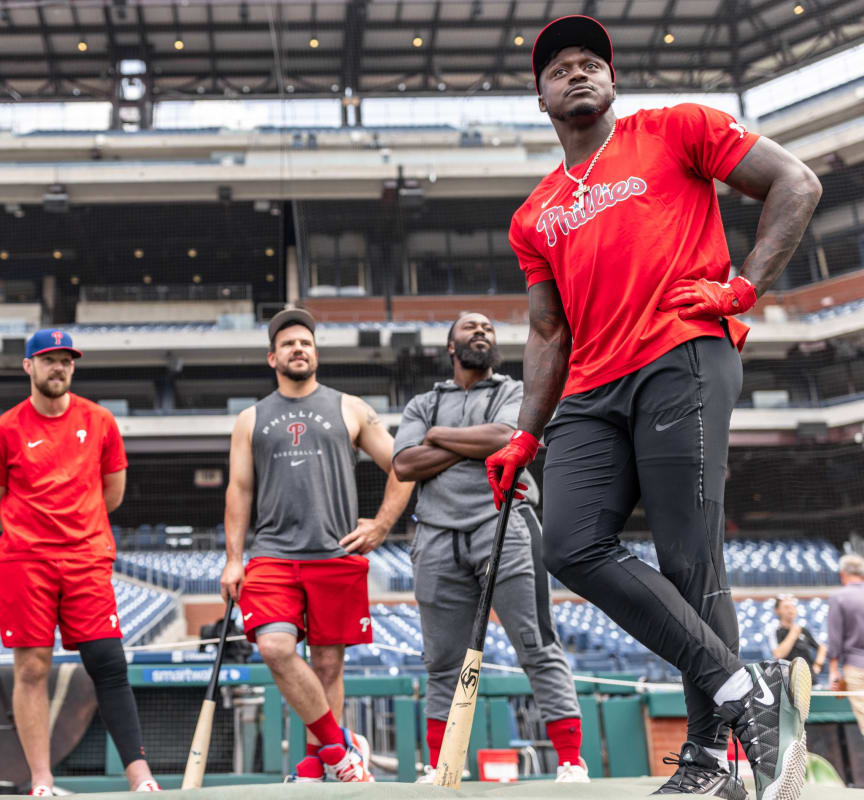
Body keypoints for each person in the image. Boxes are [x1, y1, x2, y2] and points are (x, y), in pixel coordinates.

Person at [484, 15, 822, 800]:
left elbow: (796, 182)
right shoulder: (533, 214)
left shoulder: (677, 128)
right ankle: (750, 695)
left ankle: (713, 763)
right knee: (568, 545)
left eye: (590, 62)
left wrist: (745, 288)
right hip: (591, 390)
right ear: (540, 97)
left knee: (688, 559)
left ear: (613, 81)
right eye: (559, 66)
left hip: (682, 357)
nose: (576, 71)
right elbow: (545, 329)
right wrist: (524, 436)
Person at [392, 312, 589, 783]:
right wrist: (471, 444)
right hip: (437, 536)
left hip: (505, 524)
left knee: (536, 644)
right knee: (441, 660)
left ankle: (569, 760)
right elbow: (403, 464)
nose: (480, 332)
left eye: (488, 328)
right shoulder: (423, 403)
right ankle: (442, 764)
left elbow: (508, 437)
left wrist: (438, 438)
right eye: (469, 328)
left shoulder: (513, 392)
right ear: (450, 346)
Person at [219, 308, 413, 783]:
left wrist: (383, 525)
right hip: (271, 555)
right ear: (272, 357)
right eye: (288, 344)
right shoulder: (251, 418)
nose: (298, 349)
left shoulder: (350, 406)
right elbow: (239, 490)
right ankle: (340, 749)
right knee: (275, 647)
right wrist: (232, 559)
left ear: (316, 354)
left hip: (335, 553)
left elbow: (403, 464)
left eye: (305, 342)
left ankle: (313, 764)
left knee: (328, 664)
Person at [0, 329, 159, 795]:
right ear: (28, 366)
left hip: (86, 557)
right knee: (31, 667)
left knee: (107, 660)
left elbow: (113, 493)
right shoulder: (7, 427)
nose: (59, 367)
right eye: (49, 359)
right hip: (26, 560)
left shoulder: (100, 420)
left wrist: (76, 528)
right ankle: (42, 781)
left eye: (66, 360)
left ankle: (140, 776)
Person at [827, 554, 864, 738]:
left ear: (843, 574)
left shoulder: (838, 597)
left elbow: (835, 637)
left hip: (856, 667)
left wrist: (833, 671)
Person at [769, 595, 826, 680]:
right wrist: (793, 633)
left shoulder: (803, 630)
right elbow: (779, 654)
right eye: (786, 607)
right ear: (777, 610)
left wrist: (817, 665)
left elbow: (822, 647)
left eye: (792, 606)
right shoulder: (775, 632)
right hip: (787, 682)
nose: (790, 610)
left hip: (809, 680)